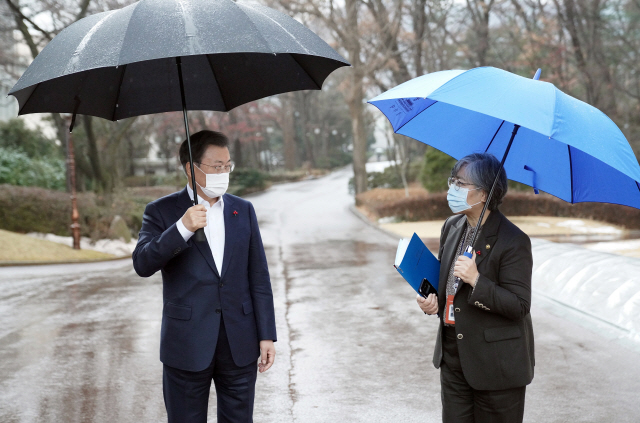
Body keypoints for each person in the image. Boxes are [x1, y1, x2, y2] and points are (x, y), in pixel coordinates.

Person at [132, 130, 277, 423]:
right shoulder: (161, 211)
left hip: (239, 341)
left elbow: (258, 276)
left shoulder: (243, 210)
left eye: (227, 165)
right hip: (186, 343)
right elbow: (142, 263)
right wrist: (182, 228)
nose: (224, 172)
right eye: (216, 166)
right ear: (191, 168)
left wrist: (266, 335)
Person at [417, 153, 534, 423]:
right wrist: (430, 300)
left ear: (483, 193)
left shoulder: (514, 241)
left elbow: (519, 306)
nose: (451, 190)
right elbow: (445, 284)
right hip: (453, 357)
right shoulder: (452, 226)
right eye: (452, 181)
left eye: (460, 184)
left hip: (497, 365)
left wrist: (477, 281)